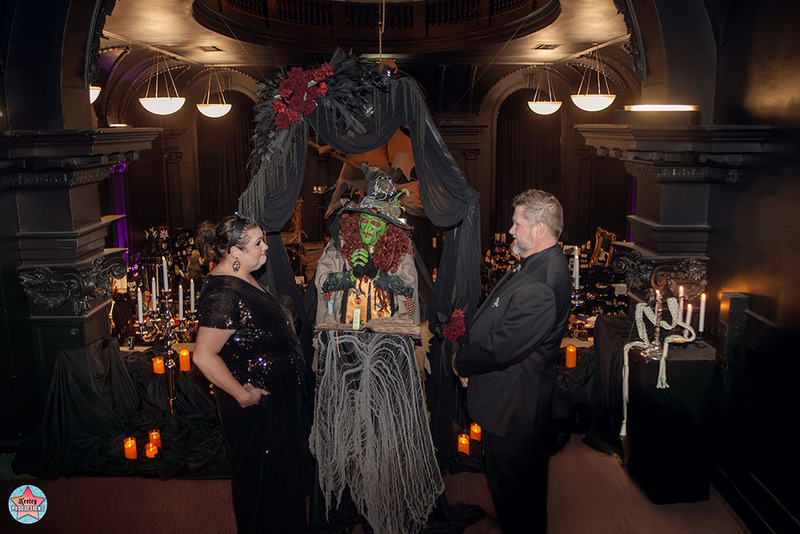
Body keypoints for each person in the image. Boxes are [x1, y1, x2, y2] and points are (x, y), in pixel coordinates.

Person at [452, 189, 572, 533]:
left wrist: (462, 363)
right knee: (519, 497)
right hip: (516, 402)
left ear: (537, 228)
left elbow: (501, 348)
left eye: (517, 223)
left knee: (517, 501)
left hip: (513, 409)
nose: (511, 229)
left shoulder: (543, 283)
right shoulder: (539, 263)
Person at [193, 214, 312, 534]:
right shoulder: (223, 294)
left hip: (274, 404)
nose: (266, 247)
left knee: (280, 485)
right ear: (234, 251)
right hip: (258, 408)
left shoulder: (242, 275)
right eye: (258, 243)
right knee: (263, 487)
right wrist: (243, 394)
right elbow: (203, 355)